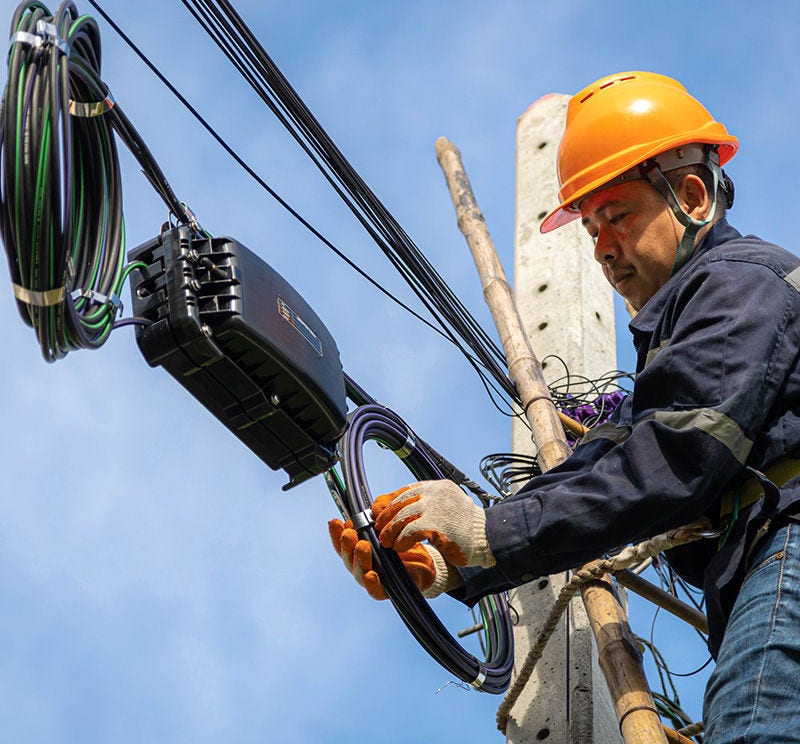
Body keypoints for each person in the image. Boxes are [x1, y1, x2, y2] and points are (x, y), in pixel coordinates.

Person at [329, 71, 800, 742]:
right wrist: (458, 559)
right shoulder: (705, 326)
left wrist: (489, 535)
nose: (603, 247)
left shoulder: (740, 284)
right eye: (590, 228)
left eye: (619, 215)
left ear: (692, 195)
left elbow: (668, 458)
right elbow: (623, 452)